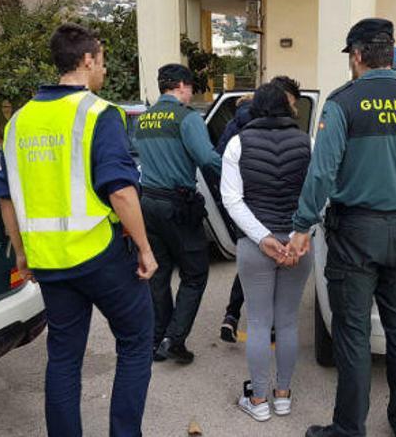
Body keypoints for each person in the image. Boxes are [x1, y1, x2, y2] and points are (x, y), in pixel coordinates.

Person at [0, 23, 157, 437]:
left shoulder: (18, 123)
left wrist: (21, 252)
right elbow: (120, 192)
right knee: (137, 341)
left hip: (48, 262)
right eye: (101, 60)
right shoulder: (99, 113)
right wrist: (144, 248)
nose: (103, 69)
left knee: (64, 358)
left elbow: (6, 197)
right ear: (86, 60)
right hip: (98, 255)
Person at [288, 18, 396, 437]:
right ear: (390, 55)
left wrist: (302, 223)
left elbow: (322, 171)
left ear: (357, 56)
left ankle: (348, 429)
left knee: (353, 334)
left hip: (355, 236)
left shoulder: (344, 103)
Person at [220, 81, 312, 422]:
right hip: (298, 247)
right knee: (287, 323)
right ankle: (283, 396)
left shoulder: (236, 144)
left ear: (256, 108)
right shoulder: (308, 142)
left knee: (259, 323)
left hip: (255, 248)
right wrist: (295, 236)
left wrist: (263, 238)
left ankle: (258, 401)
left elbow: (232, 200)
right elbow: (319, 196)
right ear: (290, 109)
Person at [133, 64, 222, 364]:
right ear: (182, 86)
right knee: (195, 273)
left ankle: (159, 339)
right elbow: (208, 159)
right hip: (178, 206)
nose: (191, 93)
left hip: (147, 203)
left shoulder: (143, 121)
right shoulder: (187, 118)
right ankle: (174, 338)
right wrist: (238, 173)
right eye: (191, 87)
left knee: (157, 273)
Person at [218, 77, 303, 343]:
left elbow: (219, 155)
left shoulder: (242, 120)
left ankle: (232, 316)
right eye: (291, 102)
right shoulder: (249, 123)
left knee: (252, 265)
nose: (294, 110)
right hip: (253, 207)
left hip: (246, 206)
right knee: (259, 271)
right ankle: (254, 320)